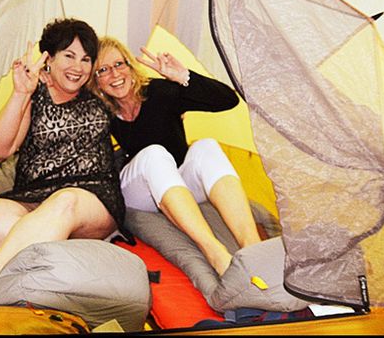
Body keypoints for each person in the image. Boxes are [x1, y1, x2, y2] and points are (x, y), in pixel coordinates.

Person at [0, 19, 125, 308]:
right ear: (48, 59)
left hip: (91, 197)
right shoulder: (34, 94)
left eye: (86, 59)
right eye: (68, 56)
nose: (78, 67)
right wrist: (21, 93)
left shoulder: (98, 93)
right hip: (33, 196)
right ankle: (60, 244)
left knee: (64, 201)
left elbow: (131, 92)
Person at [91, 37, 261, 276]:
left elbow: (228, 101)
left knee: (206, 146)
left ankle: (252, 247)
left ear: (130, 66)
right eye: (103, 70)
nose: (114, 74)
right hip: (138, 193)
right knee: (154, 154)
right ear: (96, 82)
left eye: (119, 64)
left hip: (176, 184)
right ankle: (215, 252)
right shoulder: (98, 112)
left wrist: (183, 77)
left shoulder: (159, 92)